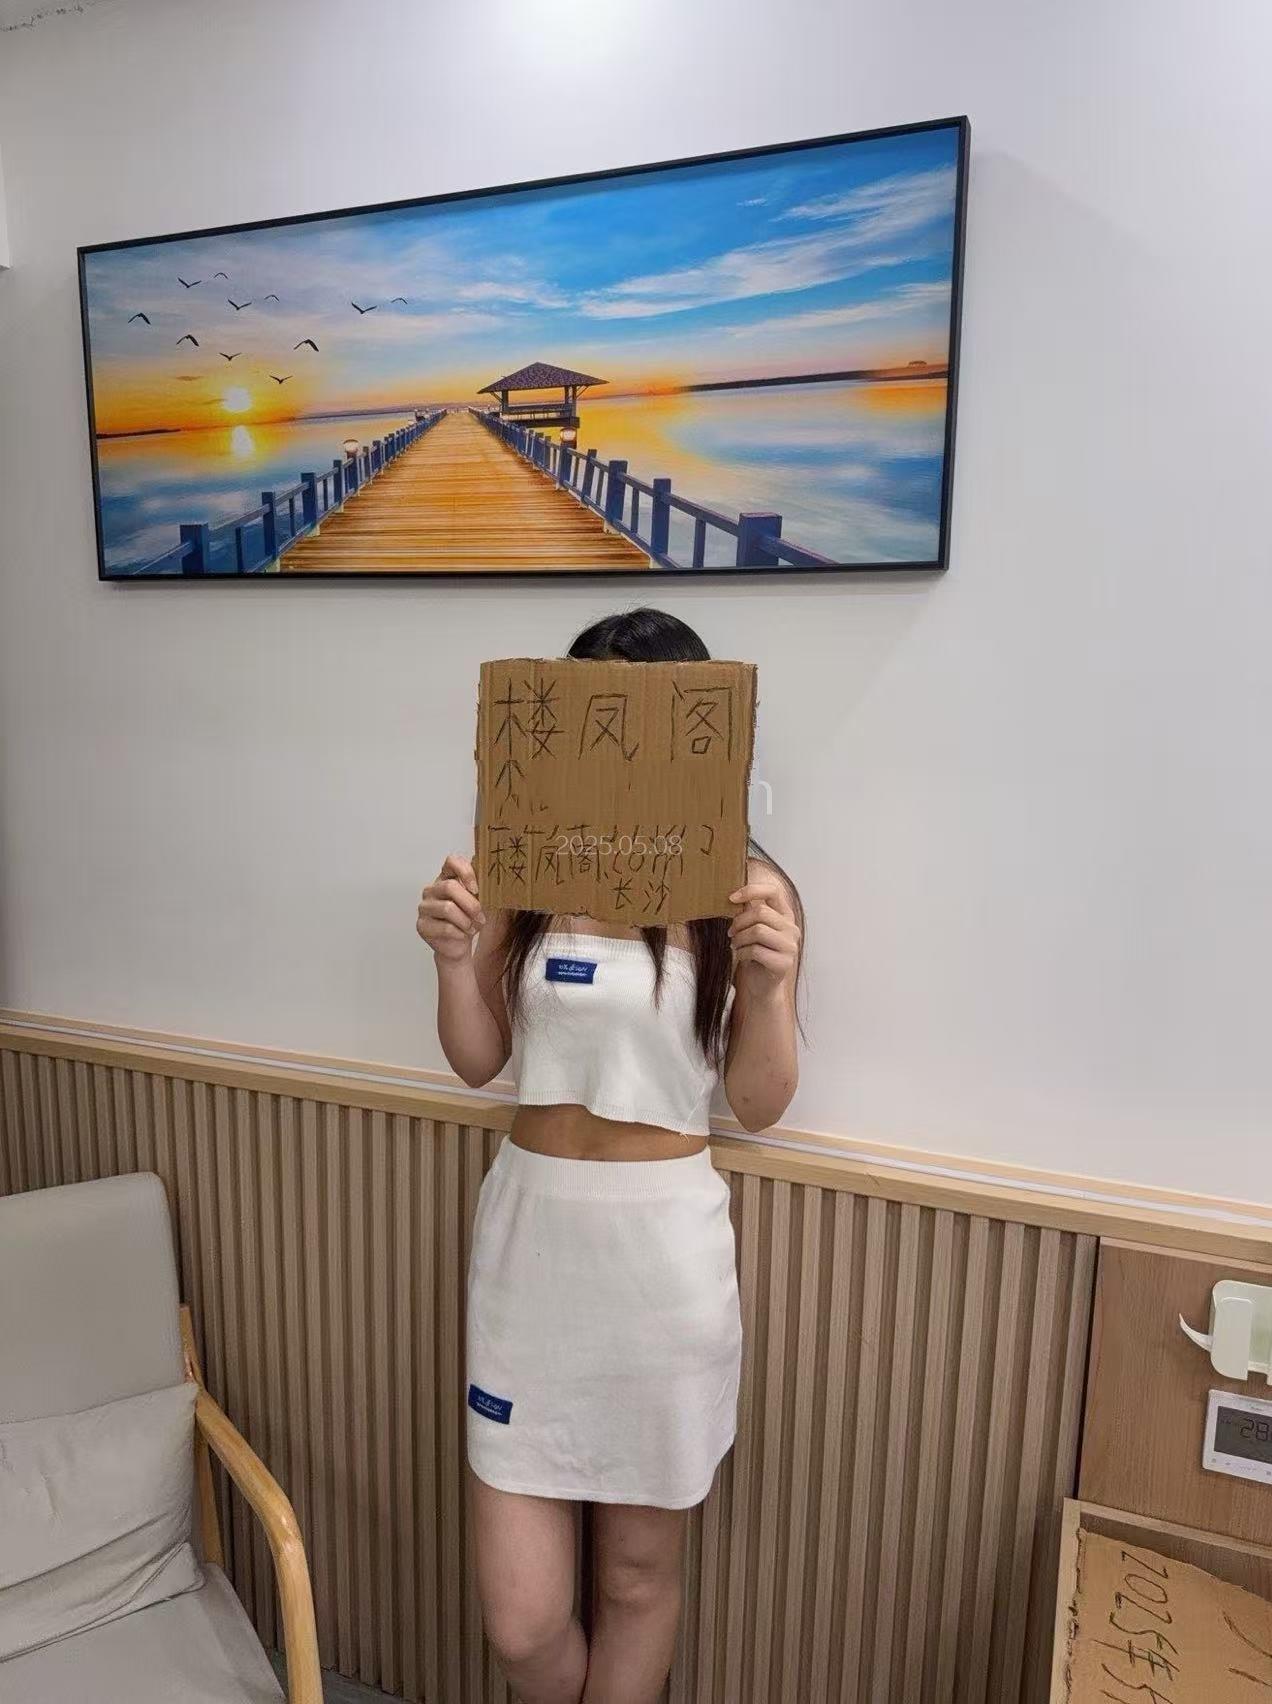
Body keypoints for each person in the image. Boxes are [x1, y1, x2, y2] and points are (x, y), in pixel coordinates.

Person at [416, 608, 802, 1704]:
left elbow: (758, 1102)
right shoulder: (522, 872)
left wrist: (772, 986)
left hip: (662, 1258)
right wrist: (452, 962)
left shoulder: (745, 894)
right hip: (530, 1248)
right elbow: (480, 1062)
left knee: (636, 1579)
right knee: (522, 1620)